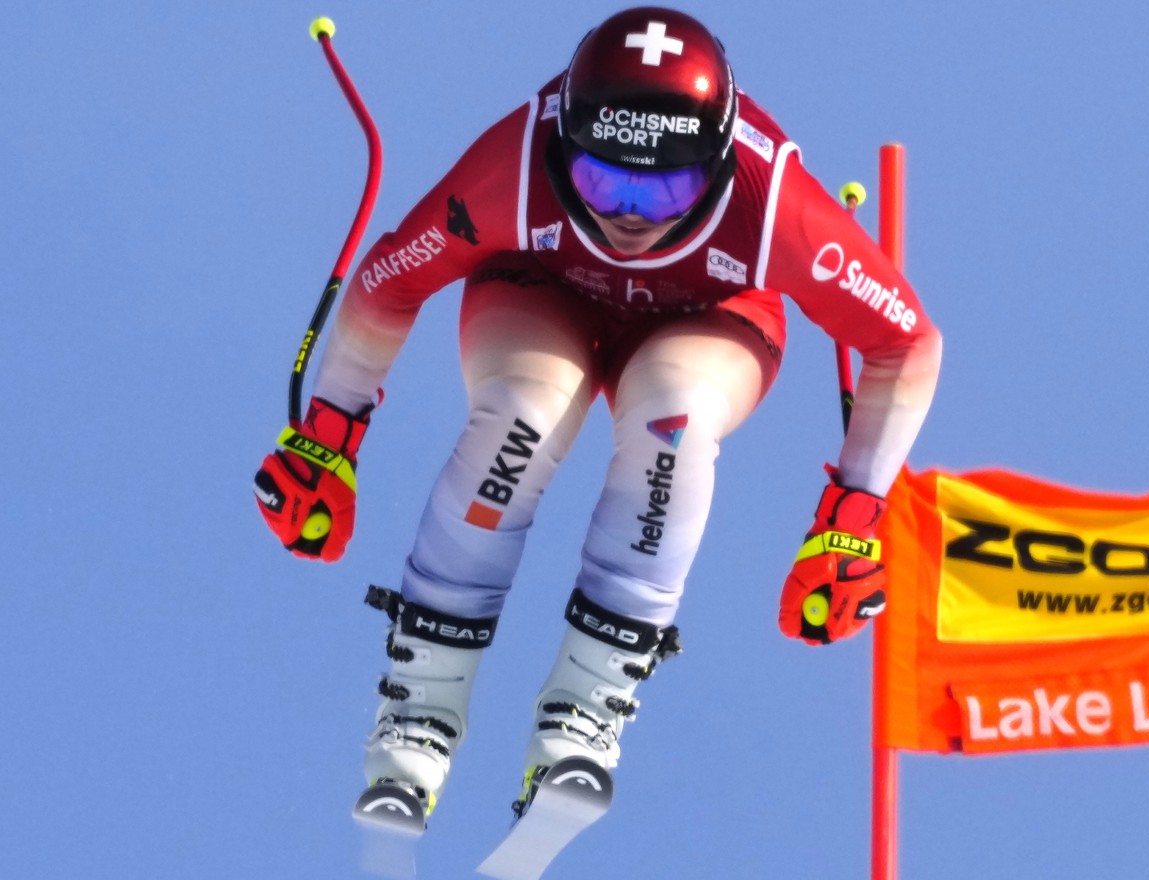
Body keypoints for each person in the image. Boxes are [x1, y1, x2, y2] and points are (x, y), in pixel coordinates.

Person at [254, 5, 941, 827]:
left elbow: (906, 342)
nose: (631, 214)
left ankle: (586, 714)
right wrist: (328, 434)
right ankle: (416, 717)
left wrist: (855, 515)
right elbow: (390, 281)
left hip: (711, 316)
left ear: (719, 168)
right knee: (521, 417)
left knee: (673, 427)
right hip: (542, 289)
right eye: (602, 179)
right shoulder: (513, 166)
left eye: (668, 185)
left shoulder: (772, 199)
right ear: (565, 148)